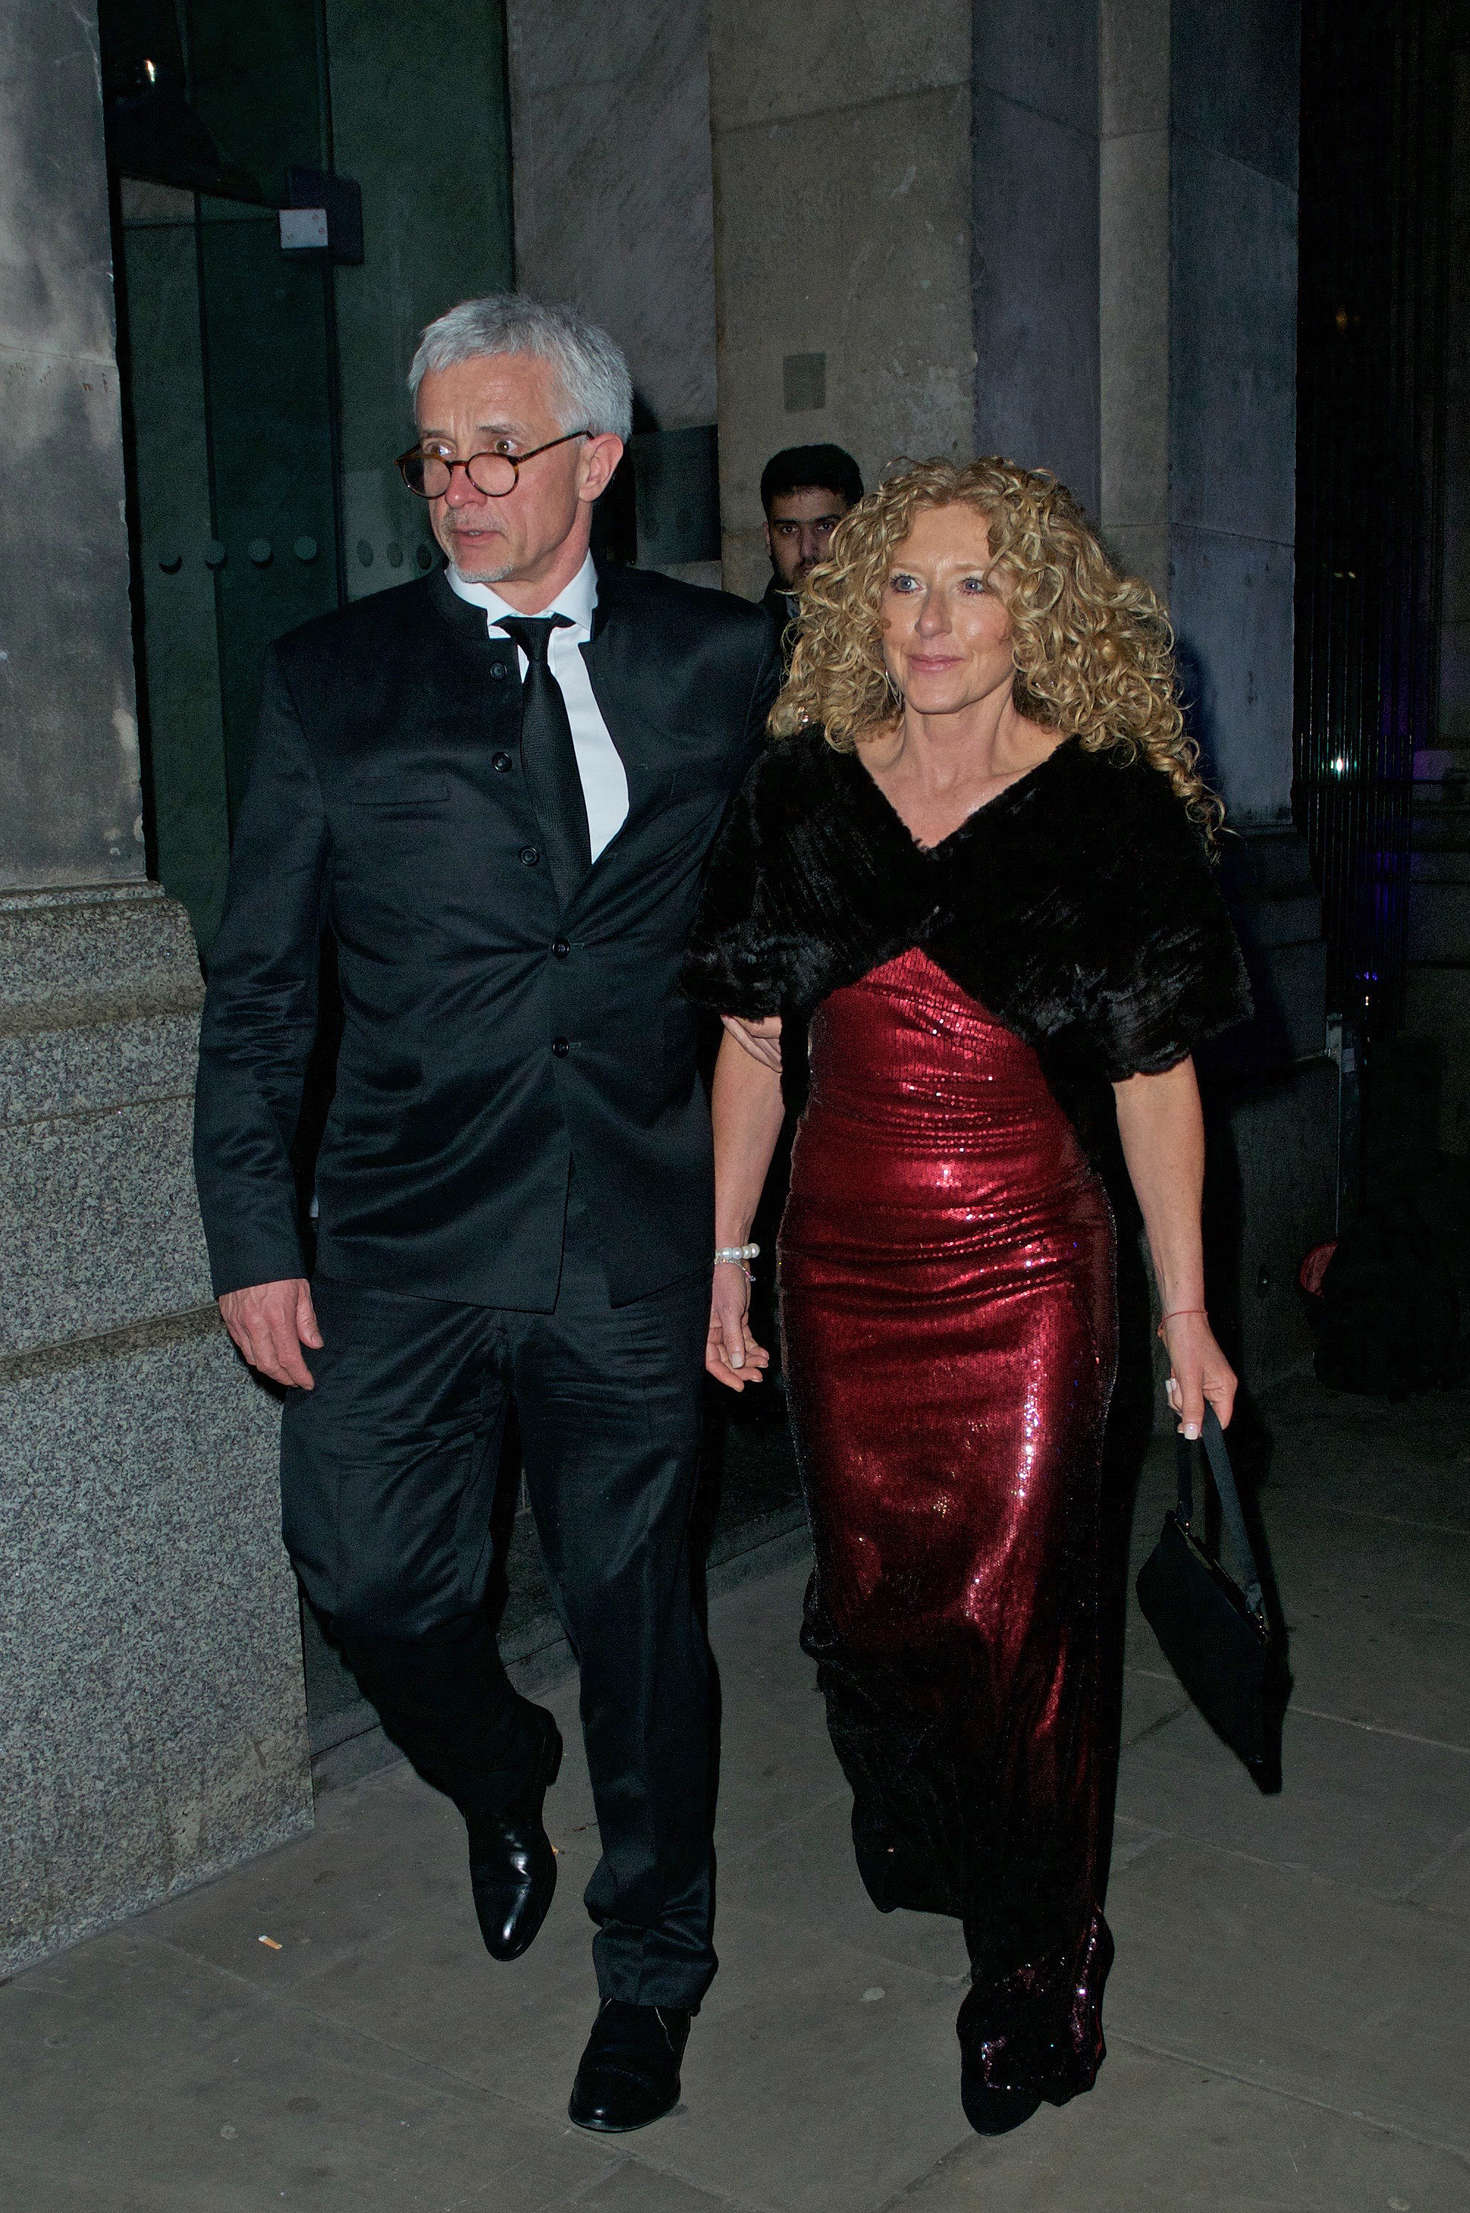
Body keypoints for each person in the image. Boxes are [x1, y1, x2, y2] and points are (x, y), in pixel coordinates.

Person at [193, 294, 781, 2135]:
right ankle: (496, 1764)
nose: (457, 486)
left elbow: (795, 936)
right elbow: (265, 985)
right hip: (399, 1232)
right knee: (366, 1570)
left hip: (630, 1231)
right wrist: (250, 1229)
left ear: (598, 460)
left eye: (496, 449)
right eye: (435, 452)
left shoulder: (721, 666)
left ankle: (652, 1969)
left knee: (640, 1618)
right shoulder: (332, 679)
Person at [683, 457, 1250, 2135]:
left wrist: (1187, 1309)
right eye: (905, 583)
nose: (931, 618)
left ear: (1038, 613)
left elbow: (1153, 1076)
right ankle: (944, 1819)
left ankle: (1035, 1963)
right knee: (874, 1608)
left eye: (972, 583)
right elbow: (749, 1041)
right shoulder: (802, 798)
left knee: (1023, 1631)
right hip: (842, 1274)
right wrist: (727, 1257)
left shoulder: (1109, 812)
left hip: (1027, 1270)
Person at [759, 443, 864, 662]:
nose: (807, 550)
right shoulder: (750, 648)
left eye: (825, 527)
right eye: (789, 530)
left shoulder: (892, 631)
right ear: (769, 537)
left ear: (857, 529)